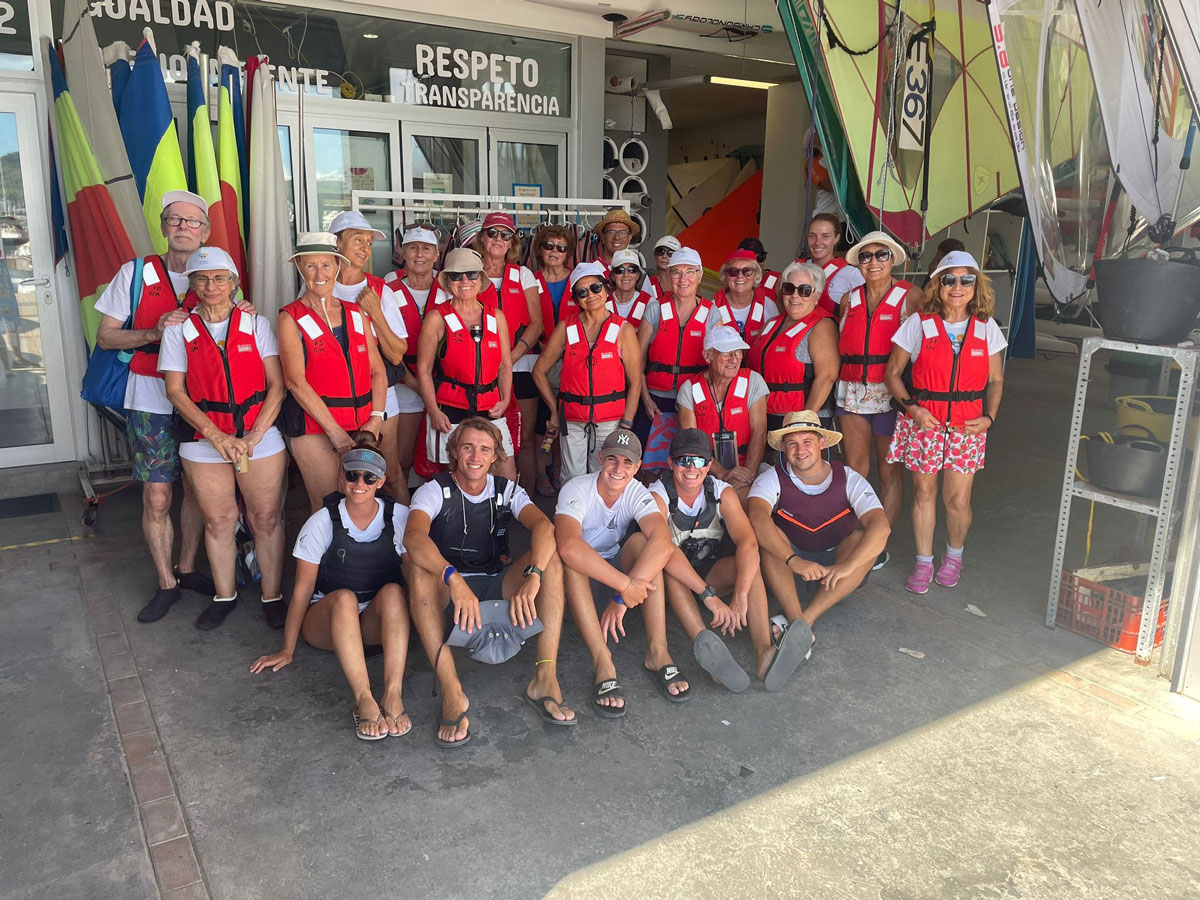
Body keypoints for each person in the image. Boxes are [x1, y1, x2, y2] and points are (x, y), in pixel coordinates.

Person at [403, 417, 575, 747]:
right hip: (450, 591)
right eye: (467, 447)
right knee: (417, 568)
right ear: (454, 450)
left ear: (495, 455)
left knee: (550, 557)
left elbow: (543, 527)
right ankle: (452, 691)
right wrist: (454, 579)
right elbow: (413, 537)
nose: (475, 456)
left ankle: (545, 676)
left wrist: (535, 576)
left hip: (494, 583)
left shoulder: (506, 488)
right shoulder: (434, 489)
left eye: (484, 449)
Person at [94, 189, 217, 622]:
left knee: (201, 493)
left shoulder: (217, 273)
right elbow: (105, 336)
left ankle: (187, 569)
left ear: (206, 231)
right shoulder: (134, 273)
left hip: (205, 399)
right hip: (149, 397)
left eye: (193, 222)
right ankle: (166, 583)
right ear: (164, 227)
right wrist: (152, 331)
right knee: (159, 495)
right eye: (176, 221)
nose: (184, 228)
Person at [250, 439, 413, 742]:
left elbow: (415, 576)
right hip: (328, 620)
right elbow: (302, 590)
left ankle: (393, 694)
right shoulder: (322, 521)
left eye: (368, 477)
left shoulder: (399, 516)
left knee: (393, 591)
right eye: (352, 475)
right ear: (341, 477)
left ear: (381, 481)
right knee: (344, 598)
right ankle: (363, 697)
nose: (359, 483)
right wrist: (288, 648)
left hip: (373, 623)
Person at [160, 247, 288, 630]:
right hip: (204, 440)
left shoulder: (256, 324)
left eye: (219, 278)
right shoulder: (178, 330)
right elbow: (175, 391)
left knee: (265, 517)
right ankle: (224, 594)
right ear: (192, 285)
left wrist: (251, 437)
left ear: (234, 282)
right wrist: (215, 436)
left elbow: (277, 387)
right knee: (218, 520)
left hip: (258, 436)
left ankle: (272, 595)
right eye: (201, 278)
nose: (211, 285)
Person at [650, 429, 810, 692]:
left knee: (748, 564)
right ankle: (709, 649)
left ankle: (764, 652)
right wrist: (709, 598)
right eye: (683, 460)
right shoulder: (658, 495)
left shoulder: (722, 492)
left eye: (699, 460)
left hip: (708, 574)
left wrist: (741, 595)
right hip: (671, 584)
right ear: (670, 464)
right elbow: (664, 550)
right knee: (669, 567)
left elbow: (748, 542)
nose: (691, 468)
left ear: (710, 465)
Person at [884, 250, 1006, 594]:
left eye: (966, 279)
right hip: (925, 423)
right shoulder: (918, 323)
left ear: (975, 285)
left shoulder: (987, 328)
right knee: (923, 493)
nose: (957, 286)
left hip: (968, 426)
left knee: (957, 500)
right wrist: (913, 409)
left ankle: (954, 556)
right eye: (949, 279)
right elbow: (892, 373)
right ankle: (924, 562)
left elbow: (996, 380)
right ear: (937, 285)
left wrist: (990, 418)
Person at [555, 428, 688, 717]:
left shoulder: (637, 491)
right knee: (574, 560)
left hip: (615, 580)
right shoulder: (577, 488)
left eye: (628, 462)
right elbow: (567, 546)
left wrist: (623, 594)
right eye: (612, 459)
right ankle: (603, 661)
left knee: (647, 545)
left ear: (638, 467)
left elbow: (663, 543)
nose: (619, 468)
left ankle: (658, 652)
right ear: (600, 459)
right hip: (576, 588)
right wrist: (625, 586)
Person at [748, 412, 890, 656]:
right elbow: (757, 518)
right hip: (790, 572)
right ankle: (796, 619)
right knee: (769, 540)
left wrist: (848, 566)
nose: (800, 450)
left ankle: (803, 623)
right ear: (783, 447)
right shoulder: (771, 477)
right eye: (792, 443)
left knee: (861, 541)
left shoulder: (849, 477)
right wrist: (794, 560)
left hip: (836, 576)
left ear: (822, 443)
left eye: (807, 442)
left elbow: (881, 527)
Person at [279, 232, 388, 512]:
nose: (319, 273)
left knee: (363, 502)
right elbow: (295, 382)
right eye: (311, 265)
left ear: (337, 266)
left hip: (364, 425)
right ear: (300, 267)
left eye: (326, 265)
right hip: (316, 430)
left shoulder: (356, 313)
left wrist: (376, 419)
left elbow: (377, 370)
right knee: (328, 506)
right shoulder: (290, 317)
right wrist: (337, 434)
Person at [836, 231, 921, 569]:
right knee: (856, 470)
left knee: (889, 474)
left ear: (892, 260)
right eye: (866, 256)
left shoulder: (910, 297)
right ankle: (856, 534)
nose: (873, 262)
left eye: (881, 255)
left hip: (891, 394)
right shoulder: (848, 300)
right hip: (853, 391)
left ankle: (878, 542)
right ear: (858, 262)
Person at [414, 247, 517, 480]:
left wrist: (505, 399)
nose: (464, 281)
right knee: (454, 476)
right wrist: (433, 410)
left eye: (471, 274)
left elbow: (505, 366)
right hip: (450, 408)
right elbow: (423, 370)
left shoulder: (496, 316)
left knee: (506, 474)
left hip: (490, 407)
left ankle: (498, 516)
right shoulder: (436, 318)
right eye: (456, 275)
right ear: (448, 282)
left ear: (481, 280)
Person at [533, 262, 642, 480]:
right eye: (582, 292)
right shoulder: (566, 327)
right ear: (575, 300)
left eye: (595, 287)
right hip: (572, 419)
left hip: (610, 421)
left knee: (605, 477)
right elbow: (539, 371)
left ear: (606, 289)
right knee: (571, 478)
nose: (590, 295)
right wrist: (555, 411)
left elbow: (636, 382)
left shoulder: (623, 329)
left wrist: (626, 425)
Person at [329, 211, 410, 501]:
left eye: (368, 242)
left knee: (390, 473)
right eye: (357, 240)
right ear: (337, 244)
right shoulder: (319, 285)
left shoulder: (379, 289)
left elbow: (398, 354)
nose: (365, 248)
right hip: (333, 396)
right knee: (341, 477)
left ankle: (405, 541)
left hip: (380, 394)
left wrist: (374, 311)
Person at [472, 212, 542, 490]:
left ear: (512, 241)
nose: (498, 239)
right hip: (483, 370)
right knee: (484, 436)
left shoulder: (522, 274)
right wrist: (497, 365)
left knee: (522, 438)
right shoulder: (471, 274)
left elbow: (536, 323)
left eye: (505, 234)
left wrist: (510, 358)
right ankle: (487, 497)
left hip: (522, 367)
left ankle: (522, 500)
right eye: (493, 233)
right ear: (482, 238)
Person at [637, 246, 717, 473]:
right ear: (668, 276)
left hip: (694, 400)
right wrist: (645, 397)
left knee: (690, 463)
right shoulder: (655, 309)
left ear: (700, 275)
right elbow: (638, 359)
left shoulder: (712, 314)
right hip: (655, 399)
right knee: (648, 466)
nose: (683, 279)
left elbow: (719, 364)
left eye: (690, 272)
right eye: (676, 272)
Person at [383, 225, 448, 496]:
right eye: (413, 248)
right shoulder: (388, 285)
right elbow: (384, 344)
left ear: (436, 255)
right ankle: (401, 515)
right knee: (402, 458)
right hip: (403, 380)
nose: (419, 254)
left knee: (442, 458)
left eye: (426, 249)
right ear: (402, 252)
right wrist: (419, 387)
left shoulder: (449, 284)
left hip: (443, 382)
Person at [677, 324, 768, 502]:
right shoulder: (690, 389)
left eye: (738, 352)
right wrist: (723, 473)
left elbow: (759, 433)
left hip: (747, 472)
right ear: (707, 356)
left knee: (752, 499)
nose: (734, 360)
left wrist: (745, 477)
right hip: (704, 471)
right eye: (726, 353)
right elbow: (691, 442)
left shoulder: (753, 381)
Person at [746, 261, 839, 433]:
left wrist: (804, 420)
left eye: (804, 290)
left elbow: (827, 376)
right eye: (789, 288)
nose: (795, 296)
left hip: (800, 418)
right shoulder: (771, 323)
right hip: (763, 416)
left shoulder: (822, 326)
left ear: (817, 295)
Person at [531, 224, 575, 496]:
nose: (555, 252)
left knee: (565, 417)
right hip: (538, 357)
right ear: (540, 250)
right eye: (549, 246)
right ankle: (539, 473)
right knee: (540, 421)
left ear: (568, 252)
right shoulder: (530, 280)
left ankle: (557, 468)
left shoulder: (579, 279)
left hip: (572, 359)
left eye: (561, 247)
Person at [713, 249, 779, 342]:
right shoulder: (713, 308)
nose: (740, 276)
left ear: (756, 275)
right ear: (725, 276)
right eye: (733, 271)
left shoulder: (768, 307)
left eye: (747, 271)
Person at [800, 213, 850, 314]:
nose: (818, 242)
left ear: (836, 238)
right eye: (812, 236)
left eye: (825, 236)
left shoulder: (850, 274)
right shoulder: (797, 267)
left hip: (829, 328)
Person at [607, 248, 653, 330]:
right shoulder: (602, 302)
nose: (626, 275)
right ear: (613, 276)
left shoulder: (650, 304)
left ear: (638, 275)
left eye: (632, 270)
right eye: (619, 270)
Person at [737, 237, 781, 303]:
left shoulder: (778, 280)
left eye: (760, 258)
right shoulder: (733, 282)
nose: (756, 264)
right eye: (749, 260)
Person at [648, 234, 681, 299]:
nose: (664, 256)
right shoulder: (646, 283)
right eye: (660, 251)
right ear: (655, 256)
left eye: (670, 253)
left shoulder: (685, 283)